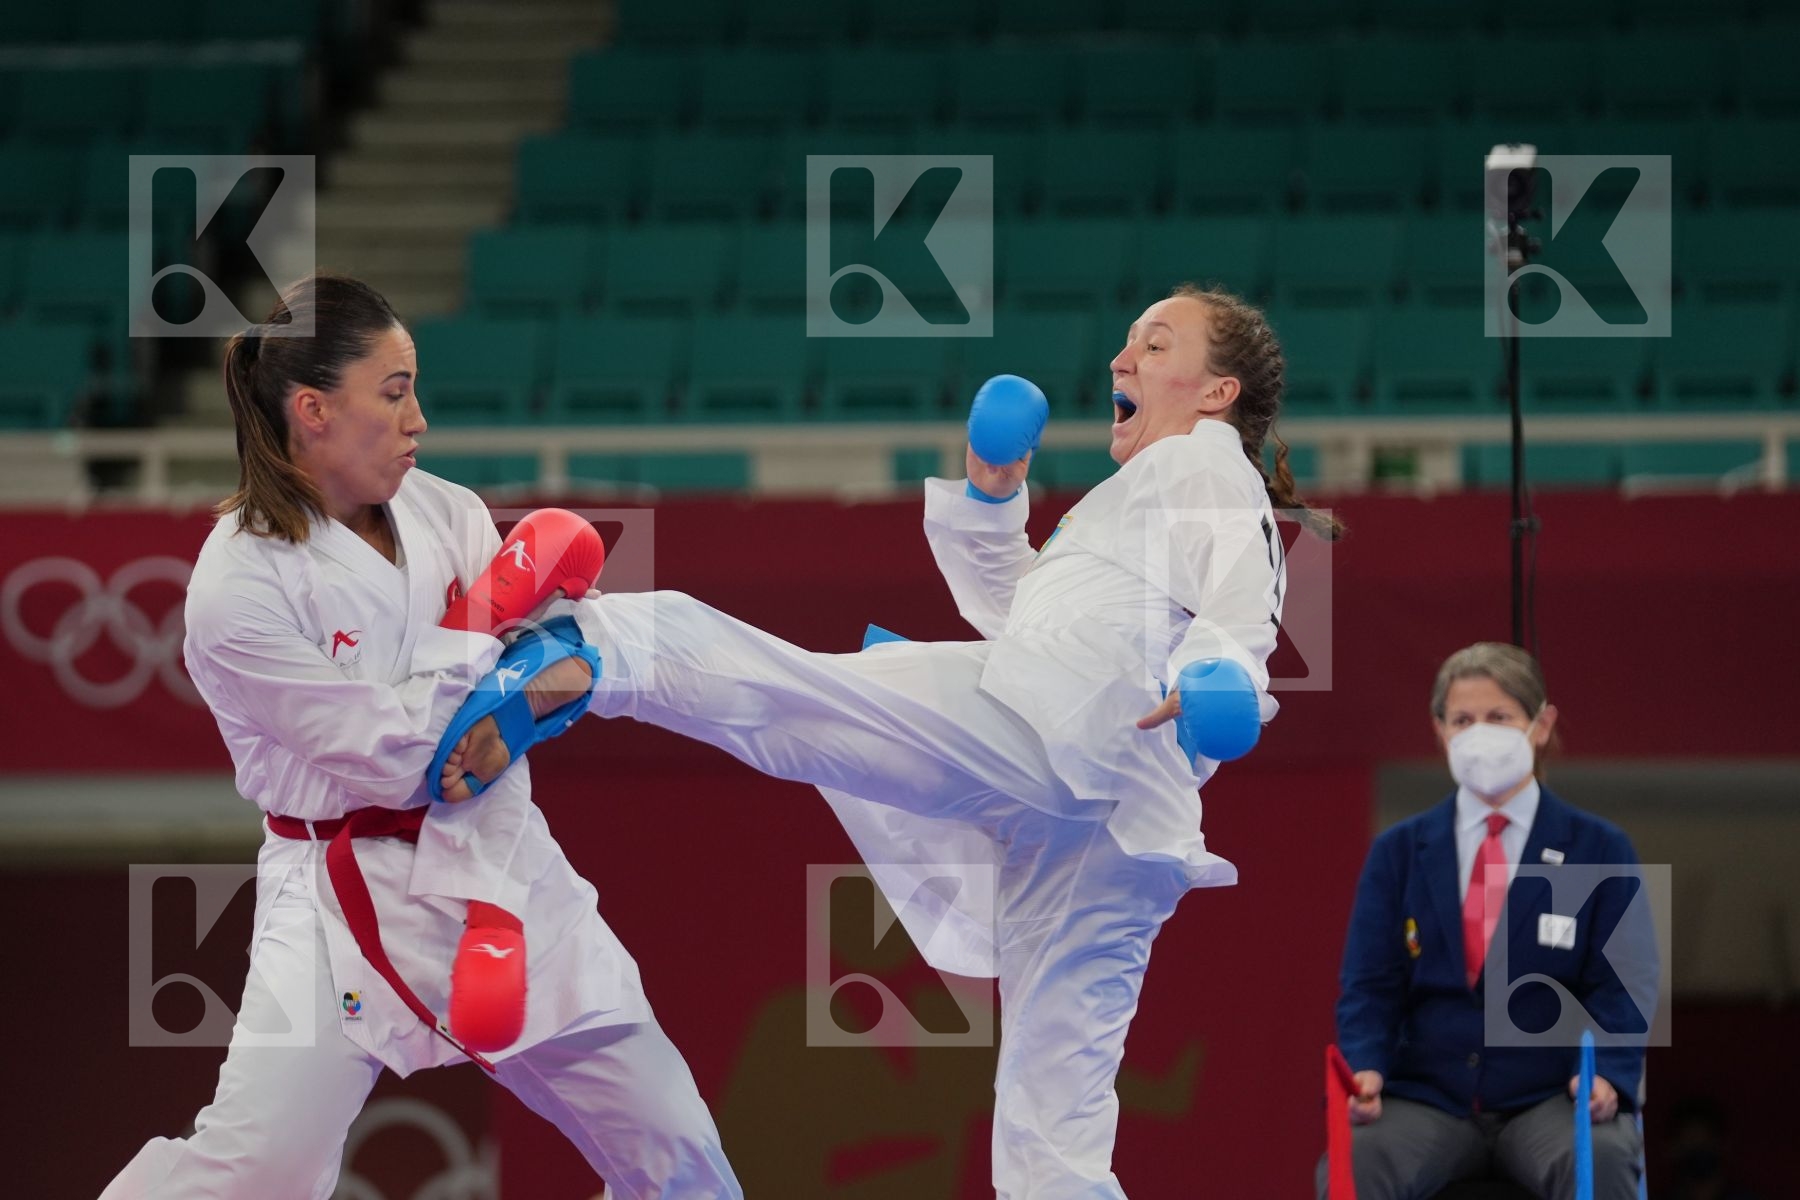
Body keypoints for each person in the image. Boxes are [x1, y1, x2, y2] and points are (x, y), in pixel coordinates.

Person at [443, 284, 1340, 1197]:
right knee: (1053, 1122)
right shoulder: (1138, 494)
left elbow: (1239, 589)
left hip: (1055, 732)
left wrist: (1220, 671)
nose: (1122, 360)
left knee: (806, 698)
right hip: (1118, 819)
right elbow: (1024, 614)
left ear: (1217, 391)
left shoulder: (1201, 468)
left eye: (1154, 345)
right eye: (1126, 343)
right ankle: (600, 655)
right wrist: (994, 501)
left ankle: (595, 648)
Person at [100, 274, 740, 1200]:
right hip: (333, 892)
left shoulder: (450, 512)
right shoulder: (239, 588)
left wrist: (527, 681)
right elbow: (399, 757)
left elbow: (563, 667)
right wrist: (492, 655)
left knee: (676, 1149)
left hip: (499, 862)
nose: (420, 421)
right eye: (394, 393)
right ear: (313, 410)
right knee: (254, 1174)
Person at [1323, 642, 1651, 1200]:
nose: (1479, 733)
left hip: (1551, 1097)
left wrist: (1607, 1075)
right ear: (1440, 730)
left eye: (1499, 717)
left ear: (1540, 724)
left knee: (1603, 1158)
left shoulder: (1599, 845)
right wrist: (1367, 1069)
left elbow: (1625, 984)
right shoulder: (1399, 851)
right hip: (1429, 1097)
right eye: (1463, 719)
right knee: (1356, 1161)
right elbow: (1369, 985)